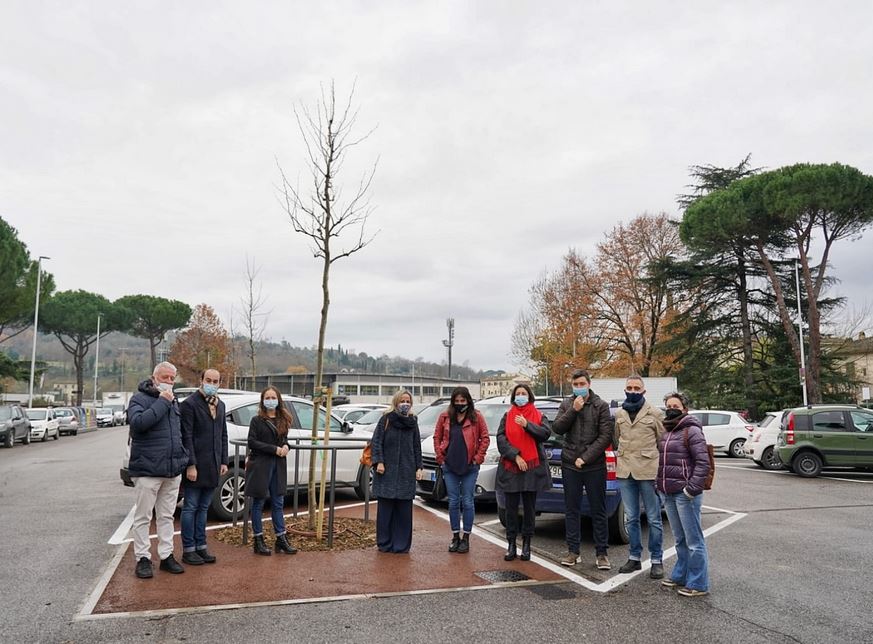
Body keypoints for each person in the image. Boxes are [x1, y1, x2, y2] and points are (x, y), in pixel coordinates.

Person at [127, 362, 190, 579]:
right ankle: (143, 558)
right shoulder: (139, 399)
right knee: (143, 516)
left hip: (172, 470)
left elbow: (178, 432)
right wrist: (162, 402)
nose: (170, 382)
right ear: (154, 378)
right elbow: (137, 424)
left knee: (166, 516)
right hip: (147, 469)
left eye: (173, 378)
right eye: (165, 377)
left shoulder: (174, 402)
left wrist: (183, 457)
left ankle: (166, 556)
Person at [551, 369, 614, 570]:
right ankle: (573, 551)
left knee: (598, 509)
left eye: (581, 384)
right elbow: (558, 428)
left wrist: (585, 458)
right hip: (570, 463)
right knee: (572, 509)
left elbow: (606, 436)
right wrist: (574, 410)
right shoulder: (567, 404)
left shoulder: (601, 406)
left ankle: (602, 553)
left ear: (589, 384)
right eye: (575, 384)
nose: (579, 387)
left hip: (594, 465)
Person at [657, 391, 710, 597]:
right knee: (679, 539)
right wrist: (658, 485)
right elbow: (662, 462)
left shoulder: (692, 430)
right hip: (668, 492)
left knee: (694, 541)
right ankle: (680, 575)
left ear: (684, 409)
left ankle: (698, 583)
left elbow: (702, 463)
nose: (671, 408)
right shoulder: (667, 430)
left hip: (685, 494)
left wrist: (691, 489)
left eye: (676, 406)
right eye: (668, 405)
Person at [614, 375, 665, 578]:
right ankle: (634, 557)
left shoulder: (655, 413)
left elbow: (662, 441)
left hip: (648, 471)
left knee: (653, 518)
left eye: (637, 388)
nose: (633, 391)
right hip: (626, 471)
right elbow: (617, 439)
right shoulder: (619, 413)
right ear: (625, 390)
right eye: (629, 387)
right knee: (631, 518)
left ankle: (656, 560)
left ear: (644, 391)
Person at [495, 384, 551, 562]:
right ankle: (511, 544)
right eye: (517, 394)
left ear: (530, 396)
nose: (520, 396)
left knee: (529, 508)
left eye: (523, 393)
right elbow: (501, 438)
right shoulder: (507, 415)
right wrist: (515, 456)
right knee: (510, 509)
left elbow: (545, 434)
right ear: (513, 397)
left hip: (532, 468)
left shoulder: (539, 415)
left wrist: (527, 425)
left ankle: (527, 544)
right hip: (512, 467)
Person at [179, 369, 229, 565]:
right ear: (201, 381)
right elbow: (187, 437)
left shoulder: (221, 405)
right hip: (196, 466)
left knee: (204, 508)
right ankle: (188, 549)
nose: (211, 383)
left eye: (215, 381)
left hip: (213, 466)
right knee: (190, 507)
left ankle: (201, 547)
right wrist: (191, 465)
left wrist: (224, 460)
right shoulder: (189, 405)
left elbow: (223, 434)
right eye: (208, 380)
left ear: (219, 383)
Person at [433, 386, 490, 553]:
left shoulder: (476, 417)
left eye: (462, 401)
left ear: (468, 401)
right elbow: (437, 437)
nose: (459, 404)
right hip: (449, 466)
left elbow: (485, 438)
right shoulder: (445, 416)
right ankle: (455, 536)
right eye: (457, 401)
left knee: (467, 501)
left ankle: (466, 538)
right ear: (453, 402)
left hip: (470, 466)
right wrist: (440, 457)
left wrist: (478, 458)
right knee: (453, 502)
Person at [246, 387, 297, 556]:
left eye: (273, 397)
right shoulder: (256, 420)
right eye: (267, 397)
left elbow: (285, 440)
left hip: (278, 466)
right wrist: (274, 449)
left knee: (278, 503)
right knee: (259, 502)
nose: (270, 400)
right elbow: (252, 442)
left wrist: (286, 446)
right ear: (262, 400)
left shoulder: (283, 420)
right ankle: (258, 540)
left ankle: (281, 539)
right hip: (261, 465)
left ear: (278, 399)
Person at [371, 390, 423, 554]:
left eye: (408, 401)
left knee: (404, 512)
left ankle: (401, 545)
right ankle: (384, 543)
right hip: (386, 471)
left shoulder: (413, 422)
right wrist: (379, 461)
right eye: (402, 401)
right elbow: (377, 442)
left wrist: (419, 467)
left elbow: (416, 446)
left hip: (406, 472)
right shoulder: (386, 419)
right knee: (385, 511)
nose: (405, 404)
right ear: (396, 402)